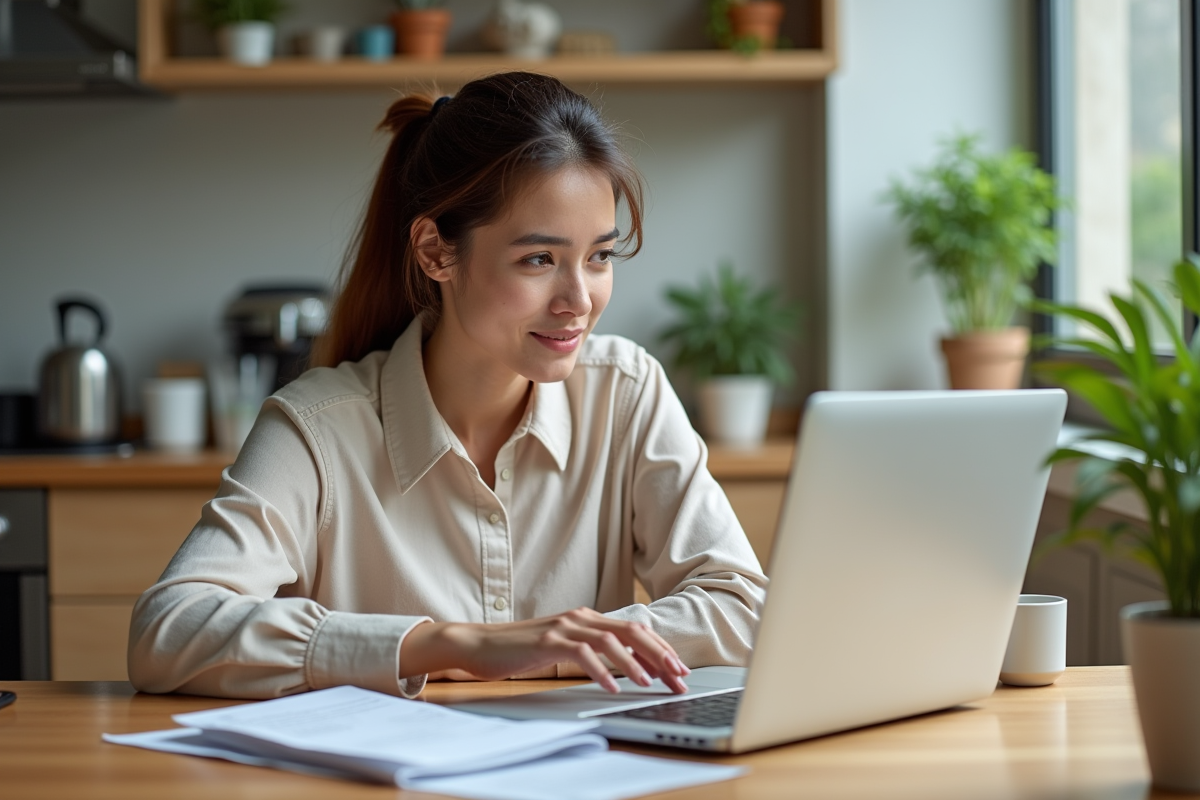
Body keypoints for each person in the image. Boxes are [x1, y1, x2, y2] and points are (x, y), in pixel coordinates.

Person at [128, 72, 768, 700]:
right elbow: (167, 631)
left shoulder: (625, 393)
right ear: (436, 252)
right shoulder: (316, 429)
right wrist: (450, 646)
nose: (580, 300)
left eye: (599, 256)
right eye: (539, 260)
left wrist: (559, 649)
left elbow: (743, 608)